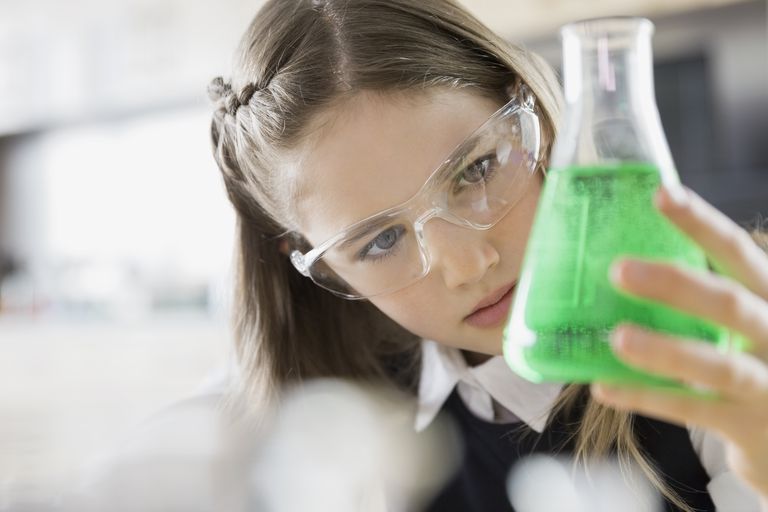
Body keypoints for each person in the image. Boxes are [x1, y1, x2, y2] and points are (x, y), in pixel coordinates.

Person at [207, 1, 768, 510]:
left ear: (538, 121)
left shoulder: (725, 337)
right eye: (381, 241)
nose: (468, 265)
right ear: (315, 264)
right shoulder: (336, 434)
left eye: (476, 170)